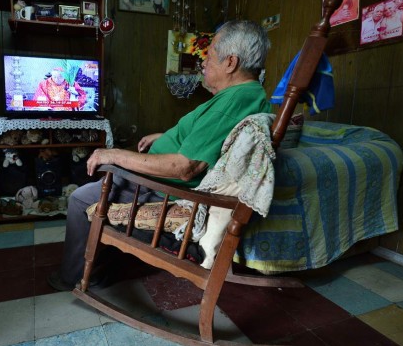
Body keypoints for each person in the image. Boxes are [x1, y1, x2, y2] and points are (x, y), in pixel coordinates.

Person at [47, 20, 273, 291]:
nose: (204, 61)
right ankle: (99, 255)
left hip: (166, 189)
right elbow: (206, 138)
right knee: (107, 170)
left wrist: (114, 154)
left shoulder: (232, 101)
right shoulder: (247, 95)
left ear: (231, 63)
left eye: (210, 54)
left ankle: (77, 277)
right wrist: (166, 137)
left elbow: (184, 168)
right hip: (164, 181)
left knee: (80, 198)